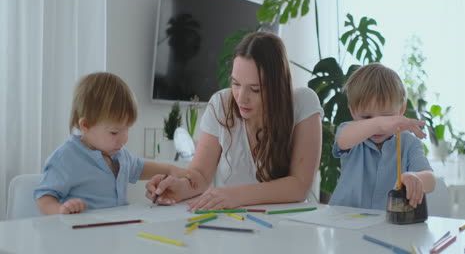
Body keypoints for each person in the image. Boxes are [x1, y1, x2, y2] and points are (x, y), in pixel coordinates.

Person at [145, 31, 324, 210]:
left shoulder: (303, 102)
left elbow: (299, 186)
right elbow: (199, 174)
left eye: (255, 89)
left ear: (278, 87)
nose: (241, 98)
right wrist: (178, 187)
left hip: (288, 225)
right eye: (236, 84)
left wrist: (235, 195)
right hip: (233, 224)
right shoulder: (220, 104)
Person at [34, 72, 193, 215]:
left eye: (127, 129)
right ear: (85, 126)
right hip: (82, 238)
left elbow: (141, 167)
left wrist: (173, 170)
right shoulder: (66, 158)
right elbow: (43, 197)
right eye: (114, 132)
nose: (124, 139)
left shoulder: (119, 155)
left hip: (115, 234)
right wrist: (61, 209)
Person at [329, 62, 436, 210]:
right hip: (344, 222)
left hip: (389, 225)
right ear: (353, 112)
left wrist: (415, 178)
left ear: (401, 110)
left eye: (387, 117)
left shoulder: (409, 143)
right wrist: (379, 123)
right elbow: (342, 140)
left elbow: (430, 179)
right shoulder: (351, 132)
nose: (381, 126)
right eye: (367, 117)